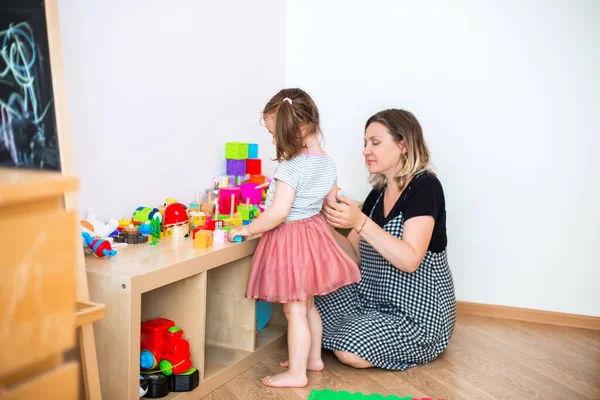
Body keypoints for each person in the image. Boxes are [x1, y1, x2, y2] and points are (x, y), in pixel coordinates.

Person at [228, 88, 361, 387]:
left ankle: (297, 373)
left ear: (295, 130)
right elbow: (330, 202)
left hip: (291, 239)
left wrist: (248, 229)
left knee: (295, 310)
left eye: (275, 134)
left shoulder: (290, 168)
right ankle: (312, 359)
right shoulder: (327, 162)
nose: (274, 141)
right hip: (315, 234)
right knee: (309, 305)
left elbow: (278, 213)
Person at [318, 108, 456, 370]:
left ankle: (352, 337)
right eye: (365, 143)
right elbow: (355, 256)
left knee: (350, 352)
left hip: (417, 315)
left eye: (375, 142)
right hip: (373, 300)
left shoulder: (425, 187)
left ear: (403, 144)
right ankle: (353, 332)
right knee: (314, 300)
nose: (365, 150)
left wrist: (358, 221)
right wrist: (325, 223)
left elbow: (410, 259)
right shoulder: (378, 193)